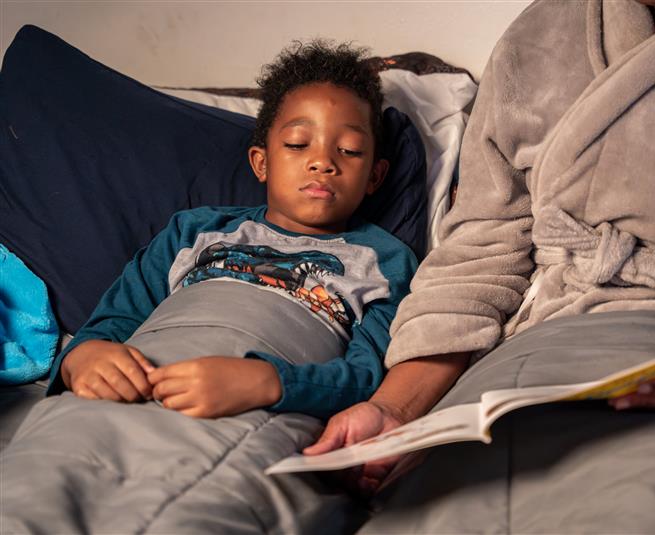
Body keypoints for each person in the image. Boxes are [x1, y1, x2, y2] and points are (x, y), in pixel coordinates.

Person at [305, 0, 655, 509]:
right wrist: (394, 409)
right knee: (456, 504)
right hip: (543, 343)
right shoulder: (540, 33)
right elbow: (485, 243)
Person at [47, 41, 417, 420]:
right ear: (261, 162)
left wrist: (269, 381)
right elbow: (116, 319)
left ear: (375, 175)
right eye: (297, 144)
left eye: (350, 150)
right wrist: (81, 356)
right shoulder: (193, 231)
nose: (322, 162)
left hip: (258, 406)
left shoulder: (384, 258)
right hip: (145, 376)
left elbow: (368, 375)